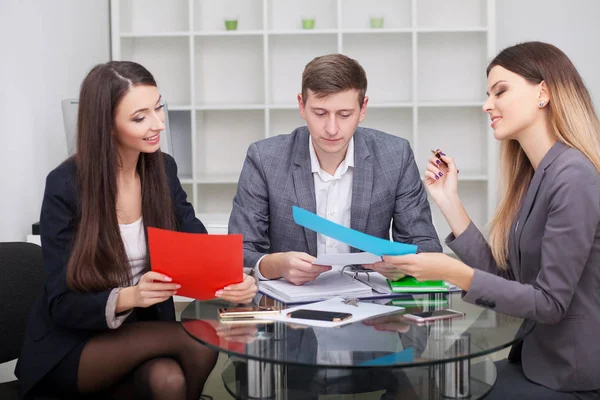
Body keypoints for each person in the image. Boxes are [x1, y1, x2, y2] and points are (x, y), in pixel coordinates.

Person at [16, 61, 258, 399]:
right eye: (140, 117)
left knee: (169, 379)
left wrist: (234, 278)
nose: (158, 124)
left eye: (158, 107)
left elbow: (196, 243)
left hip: (142, 334)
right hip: (73, 345)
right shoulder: (65, 185)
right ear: (106, 125)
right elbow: (61, 303)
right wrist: (131, 296)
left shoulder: (162, 169)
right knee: (202, 335)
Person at [382, 42, 600, 398]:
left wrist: (447, 270)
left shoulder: (572, 175)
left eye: (500, 91)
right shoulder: (537, 174)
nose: (487, 105)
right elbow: (509, 282)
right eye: (488, 94)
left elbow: (548, 303)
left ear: (543, 93)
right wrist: (449, 202)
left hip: (568, 376)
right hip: (535, 361)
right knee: (407, 389)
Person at [228, 53, 441, 285]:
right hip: (290, 307)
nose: (331, 128)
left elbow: (426, 247)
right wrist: (277, 265)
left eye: (344, 115)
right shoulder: (265, 158)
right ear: (301, 105)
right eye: (320, 113)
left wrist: (402, 267)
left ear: (363, 109)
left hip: (372, 307)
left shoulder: (395, 156)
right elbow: (240, 251)